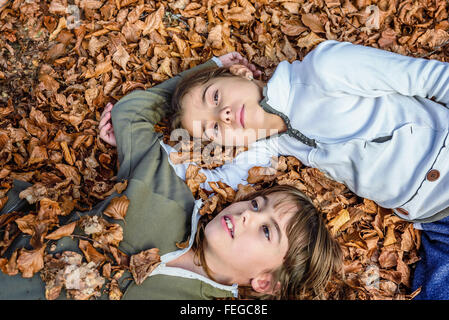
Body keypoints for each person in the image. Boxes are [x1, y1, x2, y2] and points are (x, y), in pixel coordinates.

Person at [0, 56, 342, 300]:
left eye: (266, 230)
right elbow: (129, 114)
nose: (248, 214)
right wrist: (211, 76)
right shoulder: (170, 192)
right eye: (256, 202)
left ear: (264, 282)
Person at [163, 40, 449, 300]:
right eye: (212, 129)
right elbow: (210, 182)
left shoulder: (324, 69)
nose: (222, 115)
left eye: (214, 98)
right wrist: (132, 132)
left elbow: (434, 79)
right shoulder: (275, 142)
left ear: (240, 72)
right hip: (433, 224)